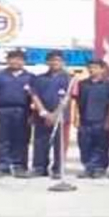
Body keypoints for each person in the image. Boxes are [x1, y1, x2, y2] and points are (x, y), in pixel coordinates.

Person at [0, 50, 35, 179]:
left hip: (23, 112)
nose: (15, 62)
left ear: (24, 62)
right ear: (7, 60)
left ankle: (19, 167)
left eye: (19, 59)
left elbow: (35, 97)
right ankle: (1, 166)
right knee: (1, 140)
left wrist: (33, 115)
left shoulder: (31, 77)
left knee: (21, 140)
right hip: (1, 111)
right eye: (12, 59)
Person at [28, 50, 71, 179]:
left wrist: (55, 114)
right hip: (42, 116)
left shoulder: (69, 79)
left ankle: (58, 169)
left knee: (60, 143)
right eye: (52, 60)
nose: (55, 63)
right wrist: (44, 113)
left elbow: (67, 97)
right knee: (40, 142)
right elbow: (34, 95)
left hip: (61, 117)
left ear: (63, 62)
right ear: (47, 62)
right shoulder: (39, 79)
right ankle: (39, 168)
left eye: (58, 60)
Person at [74, 59, 109, 179]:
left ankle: (99, 168)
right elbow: (76, 102)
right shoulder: (82, 84)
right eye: (90, 67)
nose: (92, 70)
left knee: (101, 145)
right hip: (85, 119)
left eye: (96, 67)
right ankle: (88, 167)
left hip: (101, 120)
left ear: (103, 69)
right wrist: (76, 117)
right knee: (84, 144)